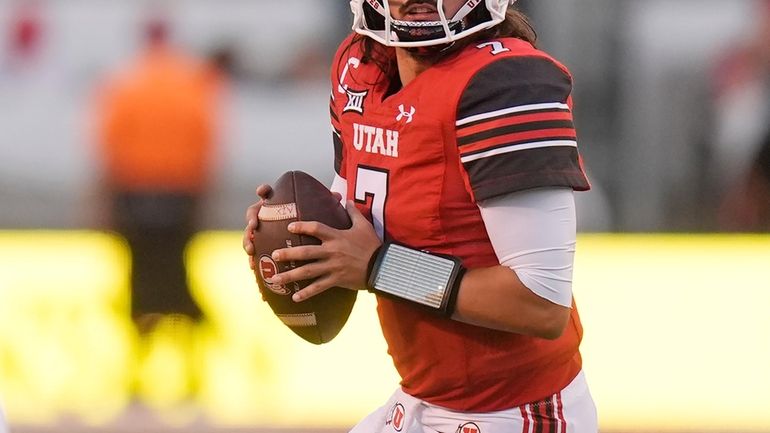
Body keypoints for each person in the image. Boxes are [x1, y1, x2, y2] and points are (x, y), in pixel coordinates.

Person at [243, 1, 597, 432]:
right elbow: (360, 204)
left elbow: (541, 304)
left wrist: (379, 267)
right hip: (420, 398)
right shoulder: (360, 66)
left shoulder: (506, 84)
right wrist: (300, 233)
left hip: (510, 411)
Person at [94, 17, 221, 404]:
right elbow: (207, 144)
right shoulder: (193, 83)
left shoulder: (123, 85)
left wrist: (104, 205)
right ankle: (190, 374)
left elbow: (108, 150)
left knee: (140, 286)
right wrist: (202, 201)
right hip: (180, 198)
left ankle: (137, 376)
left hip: (135, 198)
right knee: (178, 280)